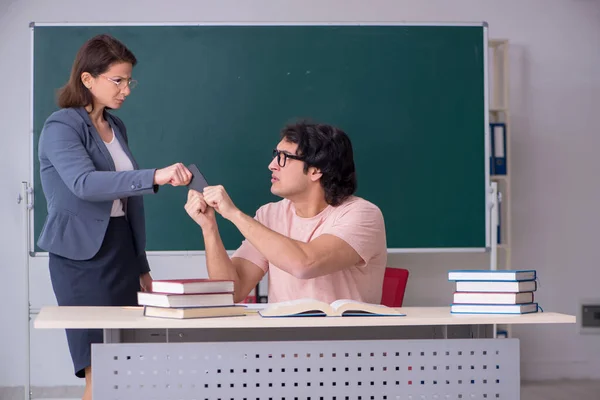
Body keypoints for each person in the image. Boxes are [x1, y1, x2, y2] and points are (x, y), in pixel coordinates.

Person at [37, 34, 191, 399]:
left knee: (125, 365)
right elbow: (85, 184)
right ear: (88, 80)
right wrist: (155, 175)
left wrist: (141, 262)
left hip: (121, 250)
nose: (126, 90)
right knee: (100, 370)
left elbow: (129, 202)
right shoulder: (62, 126)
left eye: (128, 81)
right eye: (117, 80)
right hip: (81, 259)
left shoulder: (116, 126)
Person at [185, 121, 387, 305]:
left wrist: (234, 214)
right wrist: (209, 227)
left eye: (283, 158)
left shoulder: (362, 214)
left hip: (343, 342)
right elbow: (230, 292)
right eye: (275, 156)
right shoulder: (270, 215)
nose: (272, 165)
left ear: (316, 171)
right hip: (284, 340)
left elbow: (305, 264)